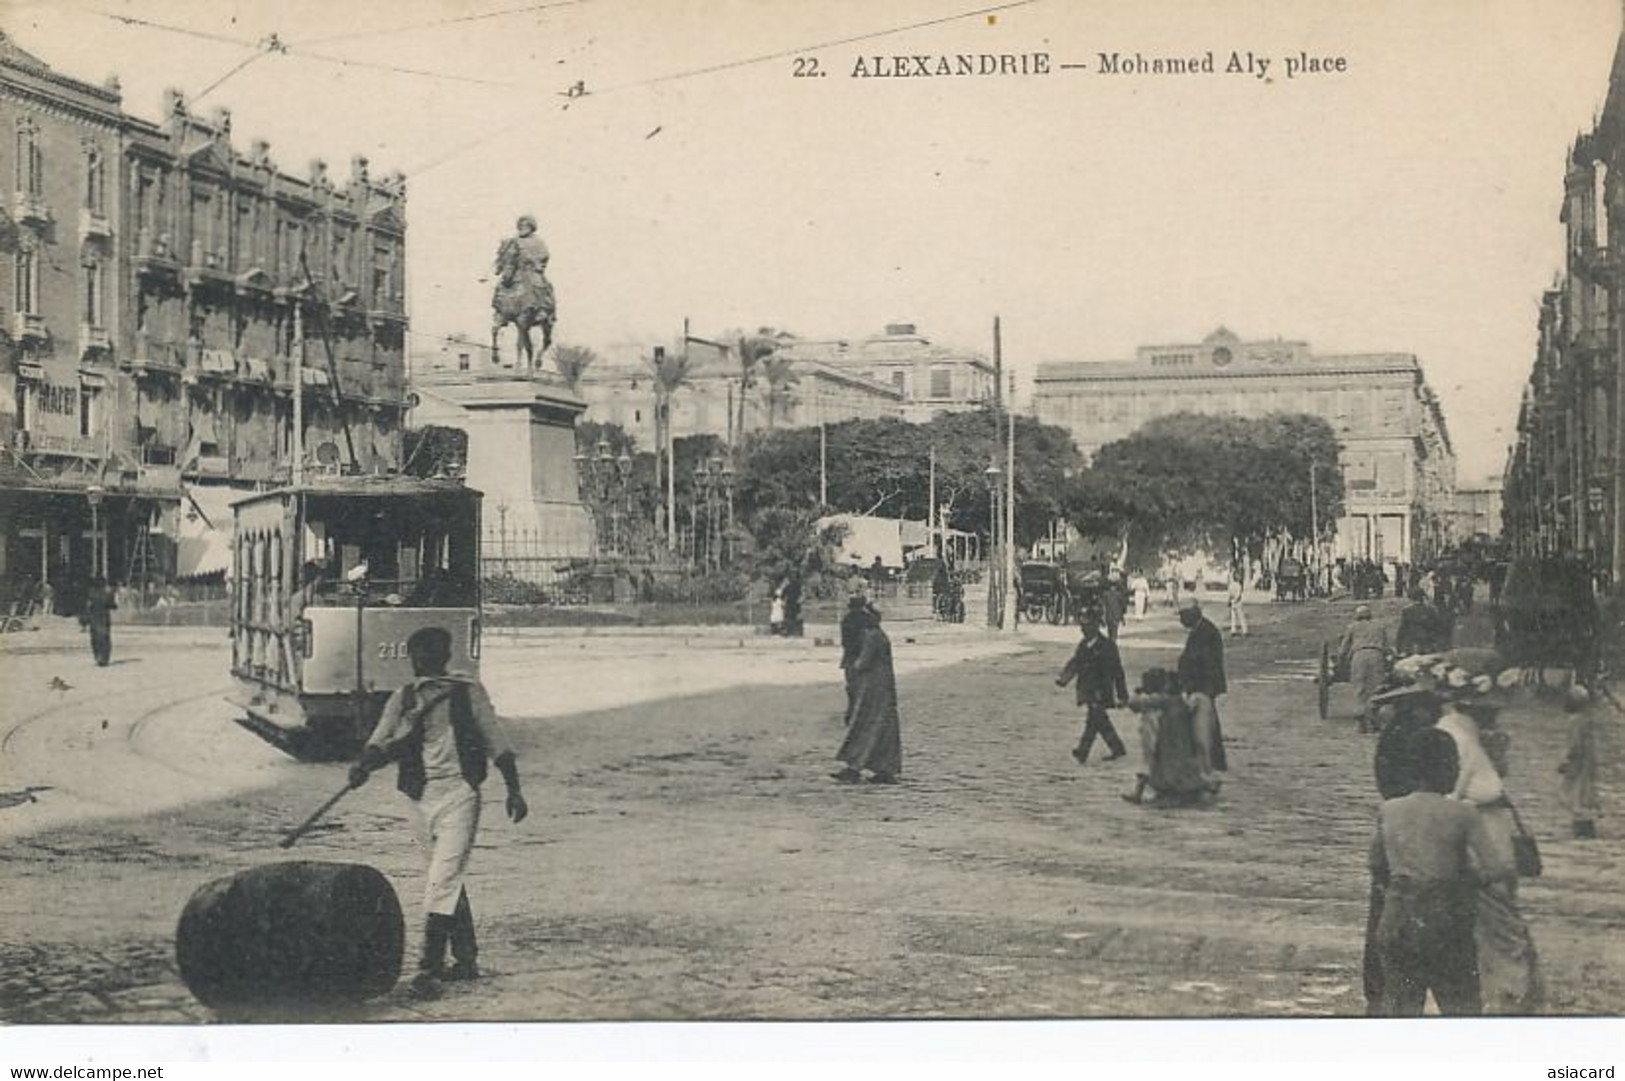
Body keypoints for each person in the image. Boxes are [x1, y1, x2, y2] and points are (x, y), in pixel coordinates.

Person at [348, 626, 528, 1000]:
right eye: (415, 655)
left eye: (425, 655)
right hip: (417, 798)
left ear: (442, 656)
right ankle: (465, 958)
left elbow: (497, 741)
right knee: (445, 875)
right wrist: (363, 764)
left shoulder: (468, 692)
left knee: (442, 879)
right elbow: (381, 739)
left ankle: (428, 970)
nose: (419, 662)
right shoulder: (404, 698)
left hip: (460, 795)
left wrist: (514, 789)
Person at [1432, 660, 1544, 1014]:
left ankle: (1510, 998)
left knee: (1495, 922)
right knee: (1499, 923)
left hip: (1482, 833)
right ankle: (1512, 998)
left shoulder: (1458, 731)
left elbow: (1453, 795)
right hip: (1482, 833)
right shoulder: (1458, 733)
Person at [1367, 728, 1499, 1017]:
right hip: (1446, 918)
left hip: (1399, 919)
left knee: (1401, 1005)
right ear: (1447, 768)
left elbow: (1376, 865)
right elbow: (1494, 868)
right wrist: (1469, 877)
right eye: (1454, 765)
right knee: (1461, 1005)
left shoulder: (1390, 809)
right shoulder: (1463, 814)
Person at [833, 605, 901, 784]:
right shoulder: (881, 635)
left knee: (866, 725)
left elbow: (862, 663)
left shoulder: (872, 636)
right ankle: (884, 767)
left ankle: (855, 766)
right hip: (884, 686)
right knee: (883, 728)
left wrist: (852, 665)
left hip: (872, 687)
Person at [1122, 667, 1208, 805]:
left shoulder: (1163, 701)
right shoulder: (1180, 702)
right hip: (1175, 743)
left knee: (1150, 766)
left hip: (1159, 741)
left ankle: (1144, 794)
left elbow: (1134, 704)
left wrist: (1136, 693)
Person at [1055, 606, 1129, 765]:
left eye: (1086, 625)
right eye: (1082, 626)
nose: (1083, 629)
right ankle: (1117, 747)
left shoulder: (1108, 647)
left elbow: (1118, 672)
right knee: (1099, 720)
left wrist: (1123, 695)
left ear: (1095, 625)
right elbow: (1075, 662)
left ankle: (1083, 751)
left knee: (1094, 719)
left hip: (1101, 690)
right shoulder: (1083, 645)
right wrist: (1064, 677)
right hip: (1086, 689)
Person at [1175, 598, 1228, 789]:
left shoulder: (1205, 632)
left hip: (1204, 683)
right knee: (1209, 721)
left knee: (1204, 723)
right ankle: (1215, 759)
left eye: (1183, 616)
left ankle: (1209, 762)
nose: (1181, 620)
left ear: (1192, 614)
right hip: (1204, 683)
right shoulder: (1201, 629)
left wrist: (1190, 683)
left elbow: (1202, 661)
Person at [1338, 604, 1392, 733]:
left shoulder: (1352, 627)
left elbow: (1344, 648)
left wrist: (1341, 661)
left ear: (1357, 616)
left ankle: (1361, 723)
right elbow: (1387, 647)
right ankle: (1374, 722)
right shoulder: (1379, 627)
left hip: (1359, 656)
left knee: (1360, 688)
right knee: (1376, 689)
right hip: (1376, 656)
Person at [1559, 685, 1600, 839]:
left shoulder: (1573, 721)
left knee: (1570, 795)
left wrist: (1565, 761)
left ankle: (1581, 829)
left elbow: (1574, 745)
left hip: (1577, 763)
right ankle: (1586, 828)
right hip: (1588, 763)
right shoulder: (1586, 720)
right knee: (1584, 795)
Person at [837, 594, 870, 725]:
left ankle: (851, 714)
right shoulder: (867, 619)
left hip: (850, 658)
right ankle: (861, 715)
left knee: (852, 688)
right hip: (864, 657)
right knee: (864, 687)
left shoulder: (846, 619)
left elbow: (844, 642)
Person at [1395, 587, 1443, 658]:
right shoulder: (1431, 609)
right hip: (1428, 642)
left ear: (1411, 598)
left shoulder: (1407, 610)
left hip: (1412, 643)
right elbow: (1438, 627)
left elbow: (1402, 629)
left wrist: (1398, 645)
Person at [80, 577, 117, 667]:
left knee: (95, 638)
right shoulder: (107, 593)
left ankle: (97, 657)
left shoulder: (90, 593)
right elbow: (113, 605)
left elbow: (87, 607)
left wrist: (84, 620)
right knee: (105, 638)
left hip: (94, 618)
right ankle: (104, 658)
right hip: (104, 617)